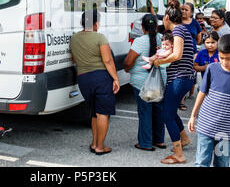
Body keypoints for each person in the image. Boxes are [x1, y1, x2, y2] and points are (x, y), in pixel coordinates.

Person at [188, 34, 230, 167]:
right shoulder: (212, 69)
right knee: (201, 162)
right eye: (221, 58)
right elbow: (202, 93)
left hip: (226, 132)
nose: (224, 62)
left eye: (229, 59)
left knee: (221, 163)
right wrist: (193, 115)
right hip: (206, 126)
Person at [69, 9, 120, 156]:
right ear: (96, 23)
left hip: (83, 78)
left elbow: (74, 59)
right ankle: (100, 146)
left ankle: (94, 143)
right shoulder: (100, 37)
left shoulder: (74, 38)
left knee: (93, 113)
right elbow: (107, 60)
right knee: (103, 113)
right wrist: (116, 78)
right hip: (101, 78)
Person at [153, 0, 195, 164]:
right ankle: (183, 139)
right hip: (183, 78)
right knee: (169, 110)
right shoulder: (183, 30)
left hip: (180, 77)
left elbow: (177, 55)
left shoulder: (178, 31)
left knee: (167, 115)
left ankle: (179, 154)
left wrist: (158, 62)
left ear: (166, 18)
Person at [123, 14, 166, 151]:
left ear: (142, 27)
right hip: (160, 80)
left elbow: (129, 62)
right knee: (158, 110)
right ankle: (159, 140)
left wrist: (127, 69)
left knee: (145, 111)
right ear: (157, 26)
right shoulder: (162, 39)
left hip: (141, 82)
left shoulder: (139, 41)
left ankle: (145, 142)